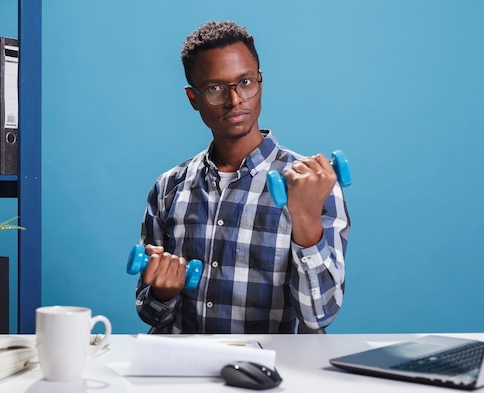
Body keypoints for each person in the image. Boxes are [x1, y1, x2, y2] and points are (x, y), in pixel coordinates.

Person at [134, 21, 350, 334]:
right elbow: (152, 314)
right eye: (214, 89)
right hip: (184, 373)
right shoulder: (168, 188)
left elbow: (319, 315)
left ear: (260, 83)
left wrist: (306, 220)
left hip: (273, 375)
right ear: (194, 99)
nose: (234, 100)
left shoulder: (313, 185)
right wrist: (163, 292)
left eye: (245, 82)